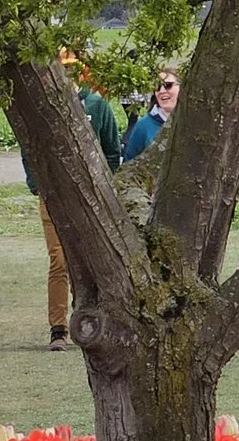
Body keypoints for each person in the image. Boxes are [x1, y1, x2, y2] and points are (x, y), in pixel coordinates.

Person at [21, 53, 123, 352]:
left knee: (98, 260)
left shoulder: (97, 105)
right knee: (59, 260)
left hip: (93, 197)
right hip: (54, 196)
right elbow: (29, 149)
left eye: (70, 69)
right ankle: (58, 327)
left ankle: (95, 322)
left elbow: (112, 150)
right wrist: (38, 185)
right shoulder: (42, 106)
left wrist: (107, 187)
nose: (65, 75)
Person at [122, 69, 180, 159]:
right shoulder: (143, 126)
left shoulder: (198, 122)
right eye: (157, 87)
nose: (162, 90)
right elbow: (128, 165)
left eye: (168, 85)